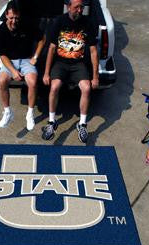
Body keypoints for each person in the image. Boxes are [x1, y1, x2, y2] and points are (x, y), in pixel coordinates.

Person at [42, 0, 99, 143]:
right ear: (69, 7)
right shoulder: (59, 22)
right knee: (54, 87)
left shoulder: (88, 23)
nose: (80, 10)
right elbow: (52, 48)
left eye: (82, 7)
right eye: (76, 7)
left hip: (78, 64)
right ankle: (51, 122)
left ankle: (82, 124)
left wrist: (95, 77)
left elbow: (93, 51)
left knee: (86, 88)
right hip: (61, 63)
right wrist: (46, 73)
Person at [0, 1, 46, 130]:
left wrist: (35, 57)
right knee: (2, 81)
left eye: (16, 18)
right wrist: (13, 71)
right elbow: (2, 55)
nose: (14, 21)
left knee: (33, 82)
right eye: (11, 18)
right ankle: (7, 112)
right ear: (6, 15)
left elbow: (42, 39)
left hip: (25, 60)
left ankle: (29, 114)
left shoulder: (27, 24)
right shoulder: (1, 29)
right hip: (9, 61)